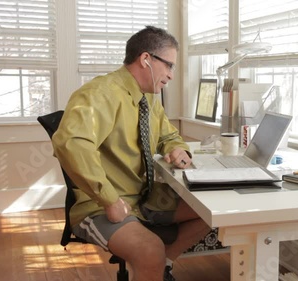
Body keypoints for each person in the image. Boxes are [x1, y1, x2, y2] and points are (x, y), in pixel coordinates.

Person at [52, 26, 211, 281]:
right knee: (150, 250)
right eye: (169, 66)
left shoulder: (148, 100)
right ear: (146, 59)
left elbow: (167, 135)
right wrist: (109, 200)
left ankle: (162, 266)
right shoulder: (101, 93)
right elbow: (71, 143)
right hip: (100, 205)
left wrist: (175, 148)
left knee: (211, 209)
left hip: (142, 197)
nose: (171, 75)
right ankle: (155, 263)